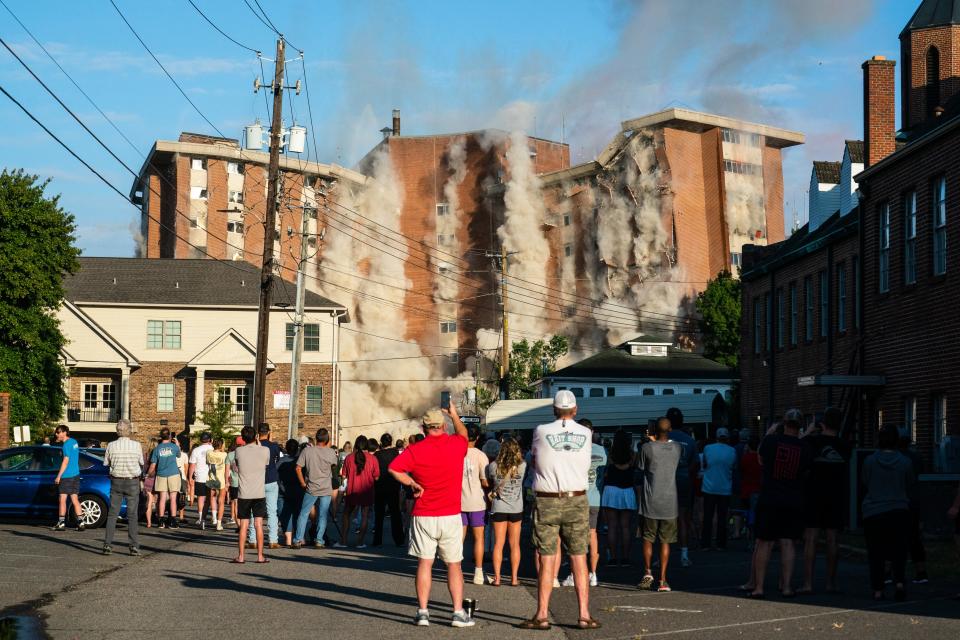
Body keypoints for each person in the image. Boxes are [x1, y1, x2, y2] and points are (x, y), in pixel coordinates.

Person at [388, 403, 475, 628]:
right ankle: (457, 613)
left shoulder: (415, 449)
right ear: (443, 426)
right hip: (450, 515)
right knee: (454, 565)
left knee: (424, 563)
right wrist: (455, 415)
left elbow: (394, 469)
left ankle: (423, 612)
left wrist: (412, 483)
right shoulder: (456, 444)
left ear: (423, 427)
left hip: (423, 514)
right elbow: (463, 434)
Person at [521, 390, 599, 630]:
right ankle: (584, 614)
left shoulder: (541, 431)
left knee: (546, 557)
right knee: (579, 556)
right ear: (575, 410)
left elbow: (535, 461)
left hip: (547, 500)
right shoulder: (586, 433)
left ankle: (542, 614)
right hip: (576, 498)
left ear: (554, 409)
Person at [747, 409, 812, 598]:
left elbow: (760, 459)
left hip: (770, 497)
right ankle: (787, 587)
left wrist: (768, 433)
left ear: (784, 423)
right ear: (800, 426)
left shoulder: (771, 441)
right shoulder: (805, 448)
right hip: (793, 499)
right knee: (788, 543)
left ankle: (759, 587)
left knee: (765, 543)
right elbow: (806, 472)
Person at [799, 407, 852, 594]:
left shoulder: (812, 441)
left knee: (811, 539)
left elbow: (796, 445)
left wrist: (810, 428)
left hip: (814, 493)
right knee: (832, 540)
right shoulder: (845, 445)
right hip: (836, 495)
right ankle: (831, 582)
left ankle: (808, 583)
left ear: (822, 423)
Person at [862, 424, 914, 601]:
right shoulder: (905, 462)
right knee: (899, 550)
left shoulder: (869, 461)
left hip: (874, 510)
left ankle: (878, 589)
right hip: (899, 509)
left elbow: (865, 482)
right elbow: (909, 485)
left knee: (875, 552)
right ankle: (899, 583)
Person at [637, 417, 681, 592]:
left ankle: (648, 572)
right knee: (665, 542)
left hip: (650, 500)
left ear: (654, 429)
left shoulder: (646, 448)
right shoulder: (677, 448)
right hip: (670, 501)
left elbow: (640, 467)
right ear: (670, 429)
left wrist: (651, 440)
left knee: (648, 538)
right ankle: (663, 579)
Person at [562, 419, 605, 587]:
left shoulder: (572, 450)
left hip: (577, 498)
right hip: (596, 498)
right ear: (592, 432)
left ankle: (575, 574)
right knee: (593, 535)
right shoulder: (602, 451)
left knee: (575, 537)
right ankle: (593, 574)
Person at [486, 436, 525, 587]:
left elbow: (490, 482)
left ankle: (497, 578)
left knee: (498, 544)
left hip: (499, 507)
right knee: (515, 544)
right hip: (516, 508)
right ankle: (514, 578)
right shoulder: (522, 466)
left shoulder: (493, 466)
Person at [102, 419, 144, 556]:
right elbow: (141, 463)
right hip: (132, 481)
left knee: (113, 514)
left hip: (116, 480)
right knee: (132, 515)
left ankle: (107, 544)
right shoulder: (136, 445)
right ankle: (133, 546)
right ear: (129, 430)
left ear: (117, 431)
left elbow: (106, 463)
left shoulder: (111, 445)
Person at [294, 428, 339, 548]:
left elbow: (298, 468)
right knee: (323, 515)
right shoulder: (331, 452)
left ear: (316, 438)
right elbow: (334, 466)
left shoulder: (307, 451)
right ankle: (319, 540)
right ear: (327, 439)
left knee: (304, 513)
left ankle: (298, 539)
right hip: (325, 487)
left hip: (311, 487)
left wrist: (303, 483)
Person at [232, 425, 270, 564]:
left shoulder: (238, 451)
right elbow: (265, 464)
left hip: (244, 493)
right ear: (256, 436)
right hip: (259, 492)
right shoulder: (265, 450)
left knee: (244, 525)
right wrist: (258, 443)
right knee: (258, 524)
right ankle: (260, 556)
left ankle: (241, 556)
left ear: (243, 438)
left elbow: (237, 465)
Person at [666, 408, 697, 567]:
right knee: (683, 518)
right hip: (684, 480)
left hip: (665, 482)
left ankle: (661, 556)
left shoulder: (663, 438)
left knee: (663, 519)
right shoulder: (689, 440)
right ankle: (684, 555)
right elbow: (694, 463)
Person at [600, 429, 636, 567]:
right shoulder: (633, 455)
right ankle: (626, 557)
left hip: (611, 490)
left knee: (612, 526)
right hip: (627, 490)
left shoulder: (609, 455)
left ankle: (613, 558)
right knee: (625, 527)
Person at [897, 428, 929, 584]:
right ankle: (921, 572)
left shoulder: (896, 458)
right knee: (914, 538)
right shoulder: (916, 458)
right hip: (913, 502)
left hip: (897, 501)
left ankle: (892, 573)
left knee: (894, 538)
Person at [244, 424, 283, 549]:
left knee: (253, 512)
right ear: (269, 432)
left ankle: (253, 539)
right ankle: (273, 540)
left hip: (256, 481)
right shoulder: (274, 446)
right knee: (272, 511)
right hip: (271, 479)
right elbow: (278, 458)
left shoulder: (253, 446)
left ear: (257, 434)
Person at [337, 435, 379, 548]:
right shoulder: (373, 459)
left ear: (355, 445)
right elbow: (376, 477)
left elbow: (344, 475)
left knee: (346, 514)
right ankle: (360, 542)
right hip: (367, 490)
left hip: (352, 490)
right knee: (365, 516)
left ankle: (343, 541)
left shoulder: (349, 458)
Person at [461, 424, 490, 585]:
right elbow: (485, 481)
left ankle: (456, 569)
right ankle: (478, 572)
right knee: (479, 538)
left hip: (458, 502)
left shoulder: (456, 453)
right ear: (477, 438)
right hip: (477, 502)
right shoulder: (481, 455)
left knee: (459, 538)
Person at [700, 427, 737, 551]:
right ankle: (721, 544)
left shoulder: (708, 448)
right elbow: (734, 466)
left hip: (709, 487)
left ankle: (706, 543)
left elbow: (705, 463)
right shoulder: (732, 451)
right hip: (725, 488)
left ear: (716, 437)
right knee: (722, 517)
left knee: (708, 516)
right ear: (727, 438)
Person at [52, 425, 85, 531]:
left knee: (62, 499)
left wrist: (59, 476)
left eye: (58, 432)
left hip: (67, 475)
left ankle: (61, 523)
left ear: (65, 432)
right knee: (75, 499)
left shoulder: (66, 445)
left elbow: (65, 461)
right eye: (56, 432)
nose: (56, 434)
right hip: (76, 474)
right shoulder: (74, 442)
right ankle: (81, 522)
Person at [373, 433, 404, 547]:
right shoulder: (395, 453)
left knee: (379, 515)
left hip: (380, 486)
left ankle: (377, 540)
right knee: (395, 513)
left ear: (381, 442)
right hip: (393, 486)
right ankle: (399, 539)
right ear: (391, 442)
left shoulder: (377, 454)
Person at [147, 428, 181, 530]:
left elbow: (153, 465)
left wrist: (147, 474)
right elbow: (179, 455)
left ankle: (161, 521)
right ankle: (172, 521)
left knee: (162, 498)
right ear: (170, 436)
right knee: (173, 498)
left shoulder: (157, 449)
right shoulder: (174, 447)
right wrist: (177, 443)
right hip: (173, 474)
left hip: (161, 474)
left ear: (161, 436)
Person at [278, 438, 304, 547]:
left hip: (283, 491)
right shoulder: (300, 462)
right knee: (298, 514)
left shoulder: (281, 462)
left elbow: (276, 477)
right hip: (298, 490)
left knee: (285, 514)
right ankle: (298, 537)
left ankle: (288, 538)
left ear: (286, 449)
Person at [188, 432, 214, 527]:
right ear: (210, 440)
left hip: (199, 476)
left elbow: (192, 465)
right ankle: (214, 518)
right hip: (211, 477)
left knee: (201, 497)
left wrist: (190, 477)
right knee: (212, 498)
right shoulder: (213, 449)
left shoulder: (196, 450)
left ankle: (200, 518)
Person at [206, 438, 229, 531]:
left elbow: (207, 462)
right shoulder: (224, 454)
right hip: (221, 479)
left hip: (211, 478)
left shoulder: (208, 453)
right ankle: (219, 523)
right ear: (221, 445)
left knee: (212, 499)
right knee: (221, 502)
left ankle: (214, 517)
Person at [225, 437, 242, 527]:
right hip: (245, 483)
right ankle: (243, 523)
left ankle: (238, 524)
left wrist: (226, 482)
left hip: (234, 483)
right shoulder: (247, 454)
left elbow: (227, 471)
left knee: (235, 503)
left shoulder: (230, 455)